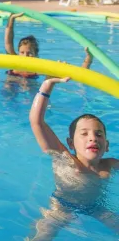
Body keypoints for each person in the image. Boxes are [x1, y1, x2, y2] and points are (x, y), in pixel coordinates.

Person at [27, 77, 119, 240]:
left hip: (95, 207)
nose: (93, 138)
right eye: (84, 134)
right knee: (44, 234)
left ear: (107, 145)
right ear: (71, 143)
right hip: (63, 206)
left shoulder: (110, 164)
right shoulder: (66, 160)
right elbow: (37, 122)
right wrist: (47, 85)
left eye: (99, 134)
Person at [5, 13, 92, 78]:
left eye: (29, 53)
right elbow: (8, 42)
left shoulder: (38, 69)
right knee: (8, 86)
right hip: (12, 86)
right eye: (22, 52)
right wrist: (11, 19)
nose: (25, 56)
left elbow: (79, 74)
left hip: (30, 88)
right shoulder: (14, 61)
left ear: (36, 55)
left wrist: (89, 57)